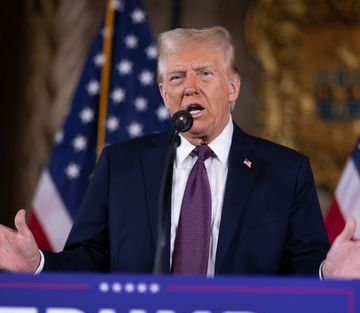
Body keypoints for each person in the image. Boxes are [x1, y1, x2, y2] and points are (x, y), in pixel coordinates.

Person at [0, 26, 359, 278]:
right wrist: (38, 264)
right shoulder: (121, 164)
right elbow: (88, 258)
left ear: (232, 87)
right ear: (162, 94)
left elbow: (302, 264)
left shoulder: (284, 170)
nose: (189, 88)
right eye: (176, 77)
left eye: (204, 74)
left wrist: (327, 273)